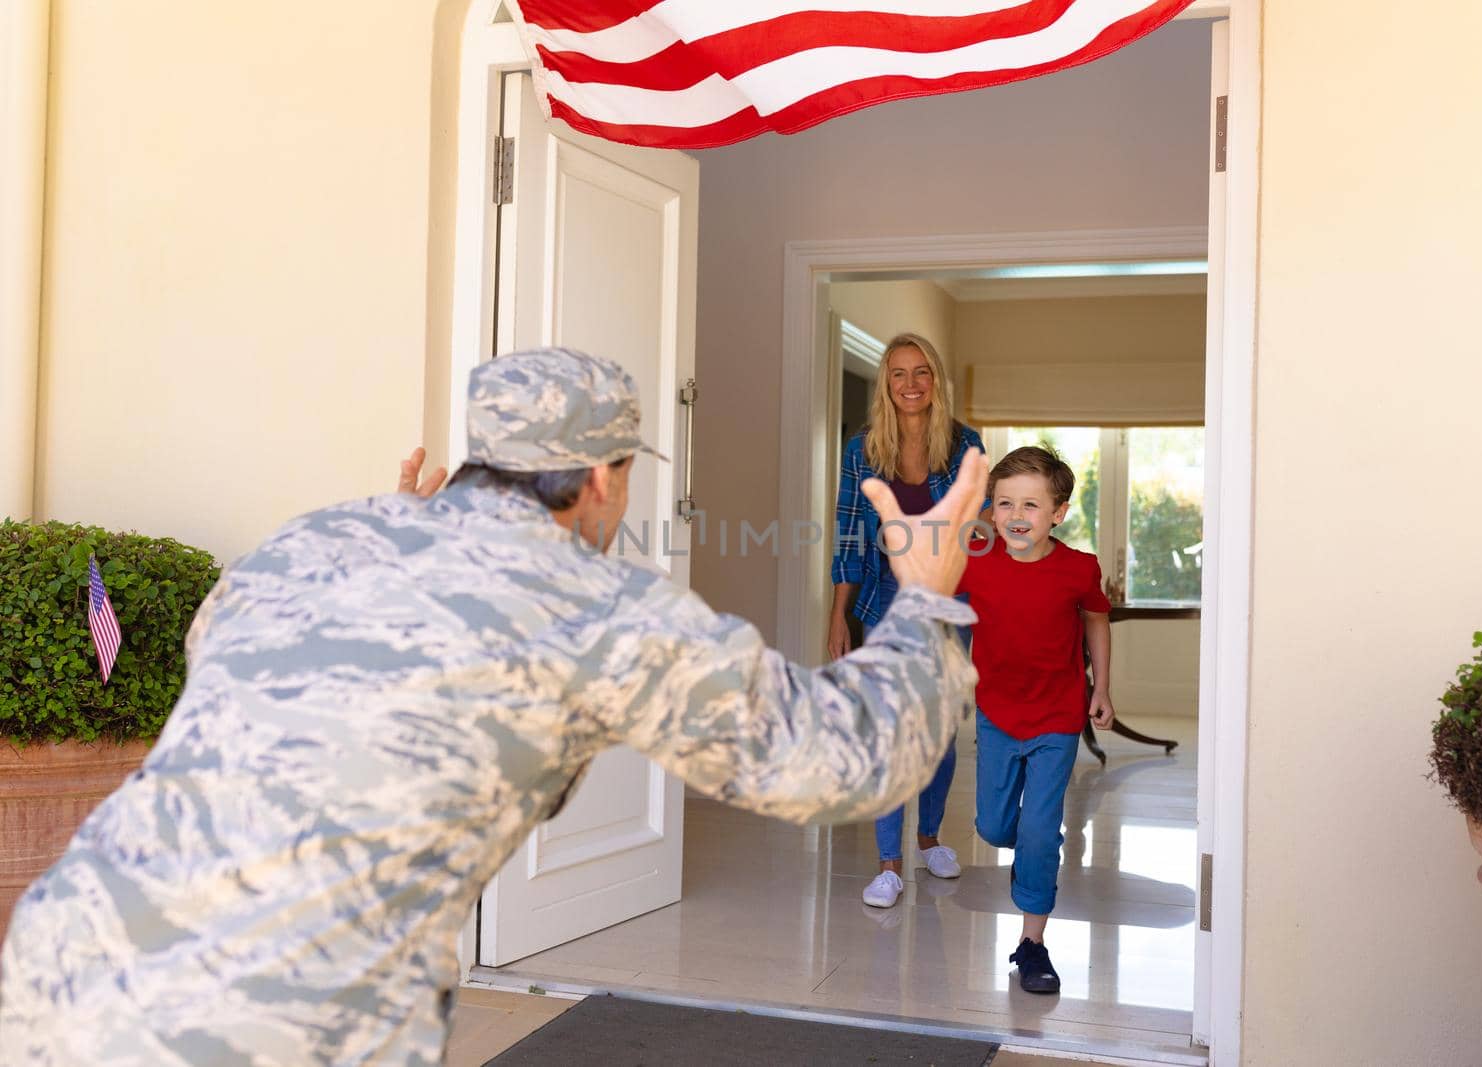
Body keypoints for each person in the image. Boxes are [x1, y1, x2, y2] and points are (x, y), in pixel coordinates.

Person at [0, 348, 989, 1066]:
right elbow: (841, 760)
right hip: (278, 1016)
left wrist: (407, 539)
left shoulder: (328, 533)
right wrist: (930, 599)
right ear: (602, 478)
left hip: (67, 948)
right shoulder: (598, 605)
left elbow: (215, 648)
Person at [828, 332, 986, 909]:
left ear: (935, 379)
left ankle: (929, 838)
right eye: (898, 373)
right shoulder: (861, 449)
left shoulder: (966, 444)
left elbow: (979, 531)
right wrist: (838, 615)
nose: (911, 383)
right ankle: (889, 863)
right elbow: (849, 534)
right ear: (885, 384)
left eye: (921, 372)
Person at [957, 445, 1114, 994]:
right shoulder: (975, 562)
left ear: (1058, 513)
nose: (1016, 516)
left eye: (1030, 504)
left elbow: (1097, 623)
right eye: (1004, 504)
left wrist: (1104, 689)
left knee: (1038, 830)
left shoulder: (1079, 569)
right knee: (996, 827)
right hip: (997, 714)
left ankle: (1033, 944)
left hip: (1057, 716)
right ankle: (1036, 837)